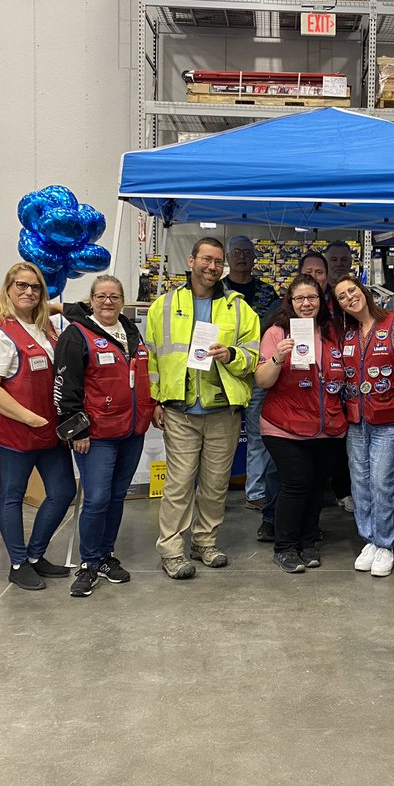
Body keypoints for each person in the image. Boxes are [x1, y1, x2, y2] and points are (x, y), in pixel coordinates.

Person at [146, 237, 260, 579]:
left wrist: (232, 355)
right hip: (180, 409)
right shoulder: (162, 306)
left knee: (214, 485)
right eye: (206, 260)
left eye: (218, 262)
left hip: (222, 409)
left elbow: (252, 357)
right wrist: (156, 399)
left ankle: (205, 542)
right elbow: (152, 359)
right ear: (192, 260)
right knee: (179, 484)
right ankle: (171, 550)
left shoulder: (240, 309)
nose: (212, 267)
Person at [53, 275, 154, 598]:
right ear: (91, 300)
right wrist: (76, 429)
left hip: (131, 430)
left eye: (114, 296)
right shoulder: (76, 334)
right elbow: (66, 387)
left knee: (115, 496)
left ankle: (106, 555)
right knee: (95, 499)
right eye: (101, 296)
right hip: (96, 434)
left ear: (122, 300)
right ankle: (89, 562)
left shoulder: (132, 332)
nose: (107, 302)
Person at [0, 262, 76, 591]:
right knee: (12, 496)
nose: (28, 292)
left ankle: (35, 555)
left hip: (51, 429)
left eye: (35, 287)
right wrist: (28, 417)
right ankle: (18, 563)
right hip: (18, 430)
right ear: (7, 289)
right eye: (21, 285)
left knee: (64, 492)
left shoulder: (46, 327)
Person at [255, 275, 347, 572]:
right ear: (290, 302)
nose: (307, 303)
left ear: (322, 301)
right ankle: (284, 547)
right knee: (296, 482)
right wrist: (277, 359)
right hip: (284, 426)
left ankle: (307, 543)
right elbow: (263, 381)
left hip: (326, 427)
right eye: (300, 299)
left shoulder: (333, 331)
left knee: (317, 485)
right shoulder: (277, 333)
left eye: (312, 298)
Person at [334, 276, 394, 577]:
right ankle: (368, 539)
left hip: (387, 419)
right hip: (355, 420)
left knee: (382, 482)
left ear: (364, 291)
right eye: (342, 296)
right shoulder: (346, 331)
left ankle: (384, 544)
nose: (349, 298)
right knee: (360, 483)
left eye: (352, 291)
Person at [223, 237, 282, 530]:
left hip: (257, 371)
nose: (242, 257)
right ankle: (214, 493)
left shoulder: (268, 292)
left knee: (258, 436)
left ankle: (256, 493)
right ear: (228, 257)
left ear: (255, 257)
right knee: (221, 438)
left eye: (247, 252)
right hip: (223, 373)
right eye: (237, 252)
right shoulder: (215, 290)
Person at [300, 249, 354, 514]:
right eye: (308, 272)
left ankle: (340, 491)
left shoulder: (341, 302)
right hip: (297, 399)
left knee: (336, 447)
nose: (314, 277)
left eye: (318, 272)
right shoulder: (288, 306)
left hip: (338, 390)